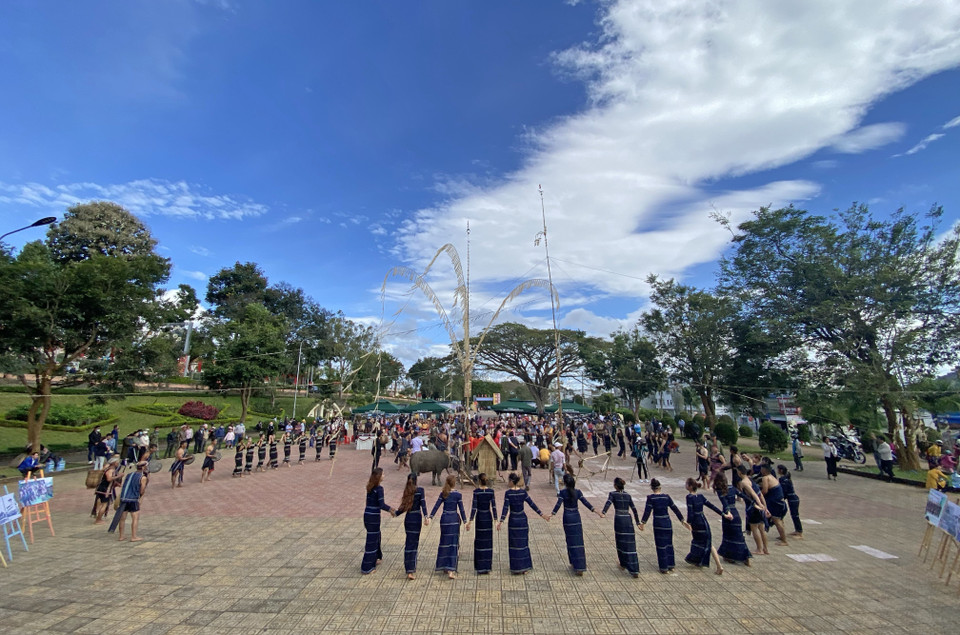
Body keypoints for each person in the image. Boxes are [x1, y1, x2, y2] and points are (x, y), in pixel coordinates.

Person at [550, 473, 603, 576]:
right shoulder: (578, 492)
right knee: (578, 541)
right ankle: (580, 566)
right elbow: (586, 503)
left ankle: (574, 563)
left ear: (565, 483)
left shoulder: (563, 493)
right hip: (576, 517)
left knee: (570, 540)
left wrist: (551, 514)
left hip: (567, 518)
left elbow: (558, 505)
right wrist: (597, 511)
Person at [497, 473, 548, 574]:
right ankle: (524, 567)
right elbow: (532, 504)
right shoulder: (523, 493)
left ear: (511, 481)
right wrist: (542, 514)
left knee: (514, 544)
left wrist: (501, 521)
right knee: (523, 543)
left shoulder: (508, 493)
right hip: (522, 520)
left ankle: (516, 567)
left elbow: (505, 508)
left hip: (513, 520)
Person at [639, 478, 689, 574]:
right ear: (660, 487)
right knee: (669, 544)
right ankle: (671, 565)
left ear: (652, 488)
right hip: (667, 522)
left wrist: (643, 523)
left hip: (658, 523)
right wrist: (682, 520)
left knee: (661, 545)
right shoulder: (666, 497)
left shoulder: (651, 498)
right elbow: (675, 509)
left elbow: (647, 511)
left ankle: (664, 567)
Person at [683, 478, 730, 575]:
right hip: (704, 521)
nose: (685, 485)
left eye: (686, 484)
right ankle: (710, 563)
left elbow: (690, 512)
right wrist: (723, 514)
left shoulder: (689, 497)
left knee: (701, 542)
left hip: (697, 522)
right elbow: (712, 506)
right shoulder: (701, 496)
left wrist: (688, 523)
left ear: (690, 486)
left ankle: (718, 566)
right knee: (707, 542)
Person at [602, 477, 641, 578]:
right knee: (630, 542)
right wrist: (638, 522)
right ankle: (634, 568)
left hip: (619, 519)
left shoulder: (613, 494)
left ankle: (623, 564)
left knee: (620, 542)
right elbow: (634, 509)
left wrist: (603, 512)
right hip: (628, 519)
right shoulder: (628, 495)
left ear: (615, 486)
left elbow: (608, 503)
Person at [430, 475, 467, 579]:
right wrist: (465, 521)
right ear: (454, 483)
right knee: (453, 544)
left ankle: (443, 565)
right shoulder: (458, 495)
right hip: (454, 520)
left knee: (444, 542)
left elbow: (436, 506)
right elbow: (462, 509)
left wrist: (430, 517)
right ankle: (451, 569)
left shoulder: (443, 493)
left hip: (445, 519)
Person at [361, 468, 395, 574]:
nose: (384, 476)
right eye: (382, 474)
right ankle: (366, 567)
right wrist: (391, 510)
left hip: (367, 514)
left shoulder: (370, 487)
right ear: (378, 477)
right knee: (371, 540)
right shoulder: (379, 489)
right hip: (374, 517)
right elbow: (381, 504)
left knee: (376, 536)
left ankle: (375, 558)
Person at [713, 474, 752, 566]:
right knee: (738, 535)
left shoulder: (720, 491)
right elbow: (743, 496)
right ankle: (745, 556)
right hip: (736, 513)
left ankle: (728, 555)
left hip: (728, 515)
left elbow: (725, 503)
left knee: (727, 535)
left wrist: (727, 512)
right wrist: (754, 502)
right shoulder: (732, 488)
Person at [395, 473, 428, 580]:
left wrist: (395, 513)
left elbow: (403, 507)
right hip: (417, 518)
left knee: (408, 543)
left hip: (408, 519)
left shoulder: (407, 491)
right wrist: (426, 517)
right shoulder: (420, 491)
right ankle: (411, 570)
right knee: (414, 543)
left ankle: (408, 568)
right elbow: (423, 504)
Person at [465, 473, 497, 574]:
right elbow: (494, 507)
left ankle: (479, 567)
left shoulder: (476, 492)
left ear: (479, 481)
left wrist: (470, 521)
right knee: (488, 541)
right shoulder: (491, 492)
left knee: (479, 541)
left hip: (479, 517)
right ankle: (487, 566)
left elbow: (474, 507)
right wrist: (496, 519)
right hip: (488, 517)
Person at [736, 466, 769, 555]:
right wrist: (765, 507)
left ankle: (759, 549)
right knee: (761, 528)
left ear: (740, 473)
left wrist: (759, 504)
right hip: (759, 506)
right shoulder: (751, 480)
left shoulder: (744, 483)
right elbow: (760, 494)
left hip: (753, 507)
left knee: (754, 528)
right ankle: (765, 548)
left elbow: (754, 494)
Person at [115, 460, 148, 542]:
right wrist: (141, 495)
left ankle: (121, 536)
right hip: (133, 499)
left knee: (122, 518)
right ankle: (134, 536)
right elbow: (142, 490)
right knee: (135, 518)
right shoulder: (143, 477)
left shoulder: (129, 475)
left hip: (124, 498)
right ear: (144, 467)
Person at [759, 464, 789, 546]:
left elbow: (765, 491)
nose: (760, 471)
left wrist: (758, 496)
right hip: (780, 501)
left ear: (764, 470)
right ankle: (782, 536)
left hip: (775, 502)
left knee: (777, 520)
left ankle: (784, 540)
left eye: (761, 469)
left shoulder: (765, 477)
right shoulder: (772, 477)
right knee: (779, 520)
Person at [93, 457, 122, 524]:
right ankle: (98, 519)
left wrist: (116, 484)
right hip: (104, 489)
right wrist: (119, 476)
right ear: (114, 463)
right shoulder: (110, 470)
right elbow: (109, 479)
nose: (118, 464)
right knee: (104, 505)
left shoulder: (109, 469)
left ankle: (98, 517)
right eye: (117, 462)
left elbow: (109, 480)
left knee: (102, 503)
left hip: (103, 488)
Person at [776, 465, 803, 538]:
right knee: (794, 515)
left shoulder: (783, 479)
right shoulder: (785, 478)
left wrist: (780, 498)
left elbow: (784, 491)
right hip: (792, 499)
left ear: (781, 470)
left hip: (793, 499)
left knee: (795, 515)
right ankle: (797, 530)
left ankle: (799, 531)